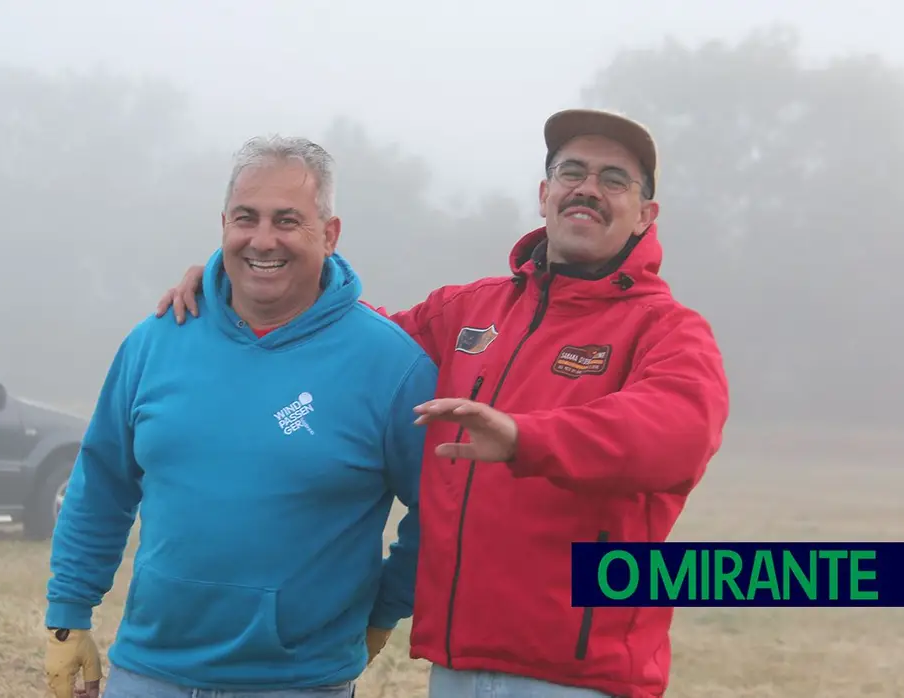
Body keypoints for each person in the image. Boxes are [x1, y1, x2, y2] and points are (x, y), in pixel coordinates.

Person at [152, 109, 730, 698]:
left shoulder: (667, 329)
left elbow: (676, 435)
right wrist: (242, 284)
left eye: (614, 179)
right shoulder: (468, 311)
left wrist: (523, 438)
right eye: (571, 171)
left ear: (645, 214)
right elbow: (347, 342)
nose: (587, 188)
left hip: (579, 675)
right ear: (544, 193)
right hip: (454, 665)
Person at [43, 135, 438, 698]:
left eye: (287, 221)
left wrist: (385, 609)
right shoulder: (155, 341)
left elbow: (440, 507)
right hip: (147, 672)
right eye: (246, 218)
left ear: (329, 234)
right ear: (223, 223)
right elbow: (101, 483)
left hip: (300, 683)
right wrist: (68, 610)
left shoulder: (390, 366)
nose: (262, 240)